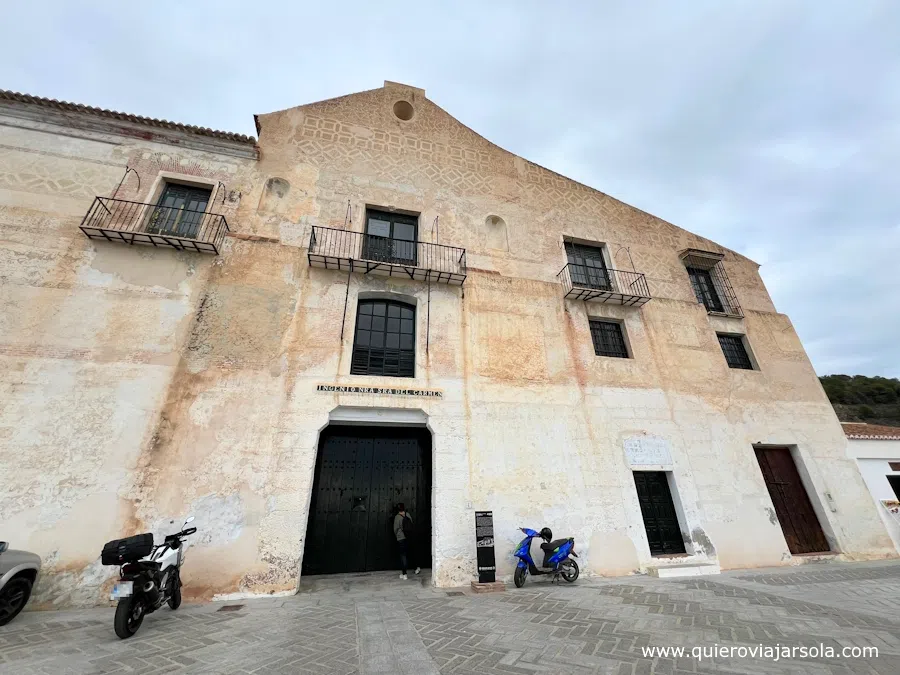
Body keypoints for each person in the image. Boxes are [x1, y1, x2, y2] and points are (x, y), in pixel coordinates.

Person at [393, 503, 421, 580]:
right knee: (411, 553)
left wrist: (398, 536)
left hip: (401, 538)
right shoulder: (407, 515)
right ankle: (417, 568)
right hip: (409, 537)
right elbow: (411, 524)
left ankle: (404, 574)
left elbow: (395, 529)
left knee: (403, 555)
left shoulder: (397, 517)